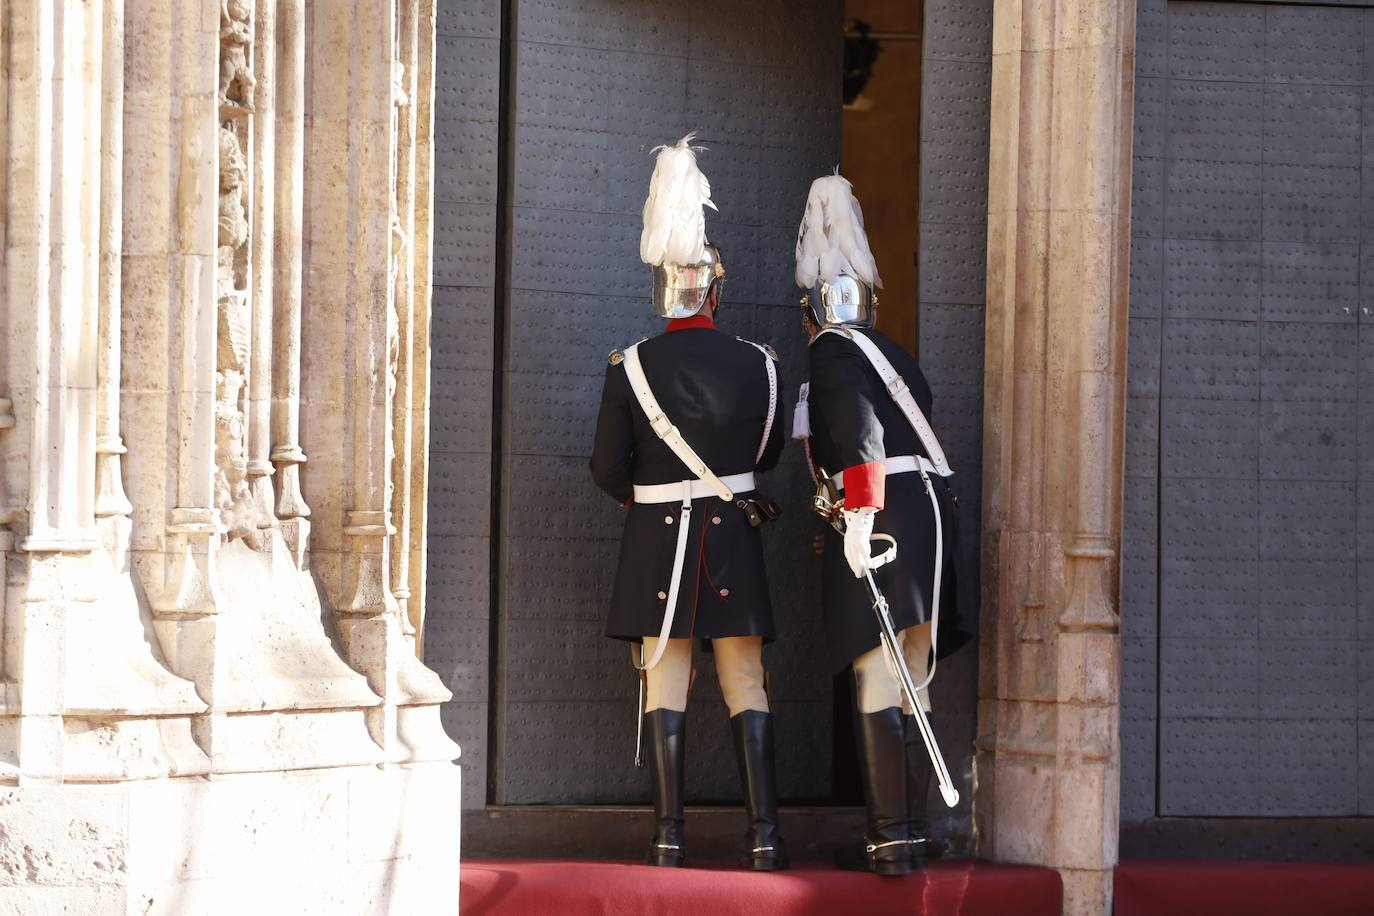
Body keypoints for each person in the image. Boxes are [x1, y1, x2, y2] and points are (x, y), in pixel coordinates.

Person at [590, 134, 787, 871]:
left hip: (655, 540)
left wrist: (644, 500)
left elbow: (607, 467)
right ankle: (765, 837)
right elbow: (764, 457)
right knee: (746, 682)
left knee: (664, 679)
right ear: (718, 288)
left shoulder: (630, 365)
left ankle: (667, 838)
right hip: (731, 535)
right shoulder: (761, 365)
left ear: (662, 290)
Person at [792, 173, 974, 875]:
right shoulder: (893, 351)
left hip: (886, 514)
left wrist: (861, 518)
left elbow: (860, 435)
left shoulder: (832, 353)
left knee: (876, 672)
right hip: (928, 514)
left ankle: (890, 837)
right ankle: (918, 828)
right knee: (914, 676)